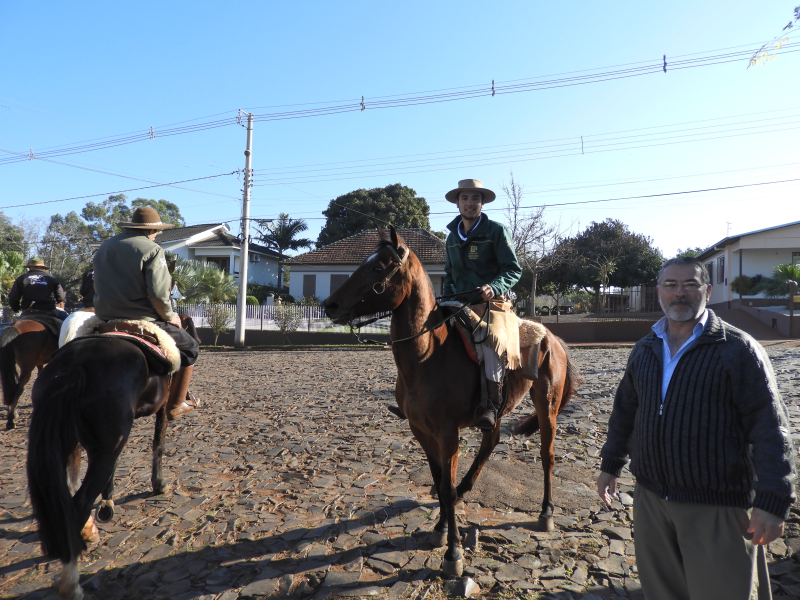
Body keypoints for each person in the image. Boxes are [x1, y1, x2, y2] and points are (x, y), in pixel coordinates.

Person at [596, 256, 796, 600]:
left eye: (690, 285)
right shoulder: (645, 349)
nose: (680, 294)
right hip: (651, 502)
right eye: (671, 285)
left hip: (716, 507)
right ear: (659, 291)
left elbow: (770, 427)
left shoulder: (738, 349)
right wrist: (610, 464)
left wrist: (772, 500)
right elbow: (626, 411)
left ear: (707, 290)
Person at [93, 206, 200, 420]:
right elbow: (159, 295)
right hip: (143, 319)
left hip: (105, 318)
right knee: (190, 348)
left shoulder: (104, 247)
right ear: (151, 231)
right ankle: (175, 406)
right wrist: (171, 317)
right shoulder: (152, 249)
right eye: (157, 231)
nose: (157, 234)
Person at [442, 178, 522, 429]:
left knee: (492, 338)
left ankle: (490, 405)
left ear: (482, 203)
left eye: (475, 198)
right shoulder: (451, 238)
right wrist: (445, 299)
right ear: (457, 203)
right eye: (464, 198)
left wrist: (494, 286)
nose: (469, 203)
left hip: (492, 303)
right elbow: (449, 274)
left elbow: (513, 269)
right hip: (457, 302)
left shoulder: (496, 231)